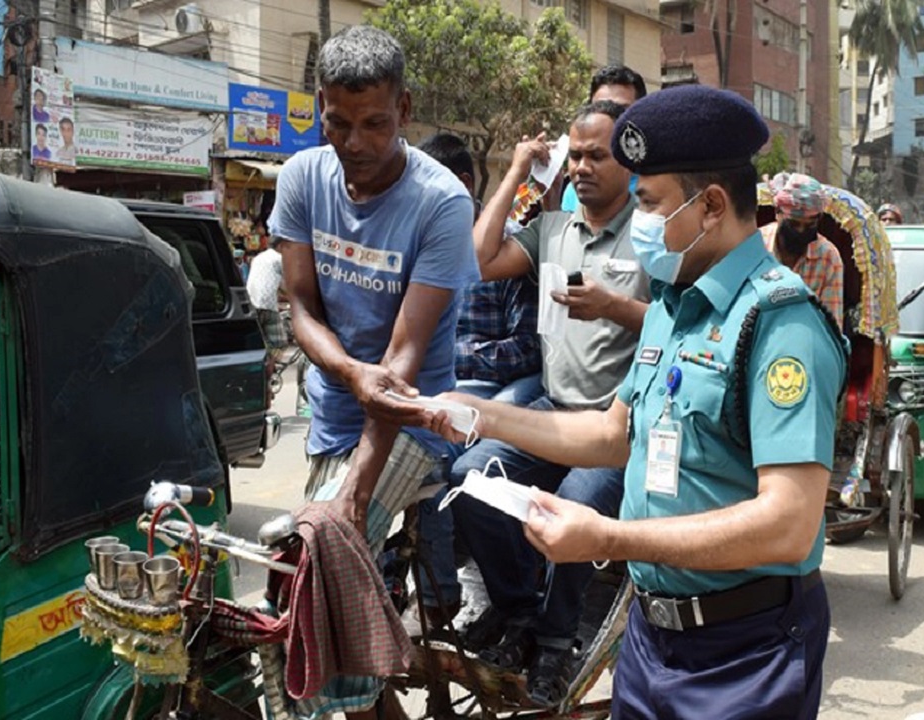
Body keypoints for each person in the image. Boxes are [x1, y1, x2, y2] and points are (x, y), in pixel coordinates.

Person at [427, 84, 847, 719]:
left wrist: (610, 536)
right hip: (651, 641)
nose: (641, 223)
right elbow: (610, 434)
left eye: (650, 204)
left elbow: (789, 524)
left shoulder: (780, 324)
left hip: (744, 651)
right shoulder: (674, 307)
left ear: (709, 206)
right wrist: (474, 413)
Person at [268, 25, 478, 719]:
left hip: (416, 417)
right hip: (337, 409)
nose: (355, 142)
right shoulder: (301, 177)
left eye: (375, 124)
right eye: (338, 122)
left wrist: (354, 493)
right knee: (294, 578)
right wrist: (348, 376)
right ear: (319, 106)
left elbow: (402, 361)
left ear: (405, 109)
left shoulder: (441, 202)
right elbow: (299, 307)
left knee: (324, 558)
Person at [454, 99, 650, 707]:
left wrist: (615, 306)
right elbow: (477, 261)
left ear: (626, 162)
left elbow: (680, 323)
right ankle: (518, 616)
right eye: (576, 155)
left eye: (597, 155)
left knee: (571, 512)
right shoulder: (552, 229)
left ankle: (557, 641)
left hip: (614, 425)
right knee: (467, 480)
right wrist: (515, 171)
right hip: (550, 410)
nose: (584, 166)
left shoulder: (651, 234)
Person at [411, 131, 544, 629]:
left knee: (447, 463)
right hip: (445, 385)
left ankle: (443, 597)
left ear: (462, 185)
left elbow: (528, 349)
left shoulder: (509, 251)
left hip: (493, 389)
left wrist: (452, 358)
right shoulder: (423, 246)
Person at [559, 65, 647, 212]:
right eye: (600, 108)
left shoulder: (662, 183)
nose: (610, 118)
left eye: (622, 111)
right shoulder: (575, 190)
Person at [761, 173, 845, 326]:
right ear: (777, 213)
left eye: (809, 226)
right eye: (793, 225)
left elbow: (831, 327)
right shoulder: (756, 246)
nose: (800, 232)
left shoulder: (828, 258)